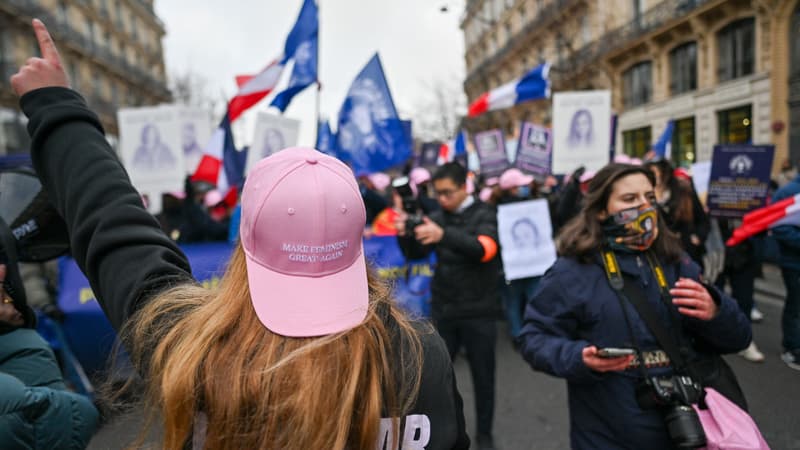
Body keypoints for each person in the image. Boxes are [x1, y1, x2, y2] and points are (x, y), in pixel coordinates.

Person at [11, 19, 469, 450]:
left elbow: (117, 234)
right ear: (355, 247)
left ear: (246, 243)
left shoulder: (194, 352)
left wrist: (57, 107)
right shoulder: (419, 355)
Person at [518, 163, 751, 449]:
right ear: (602, 210)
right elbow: (533, 339)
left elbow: (739, 338)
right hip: (608, 433)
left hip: (685, 427)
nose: (643, 206)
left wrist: (716, 312)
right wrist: (578, 358)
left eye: (649, 198)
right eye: (629, 199)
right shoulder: (571, 272)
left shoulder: (678, 262)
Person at [395, 162, 500, 450]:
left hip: (480, 311)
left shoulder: (485, 212)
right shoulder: (438, 216)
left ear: (464, 187)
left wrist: (444, 235)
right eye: (437, 193)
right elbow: (417, 253)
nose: (441, 199)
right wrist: (406, 232)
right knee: (435, 378)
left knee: (483, 379)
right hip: (446, 309)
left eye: (447, 193)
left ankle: (485, 436)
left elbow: (484, 250)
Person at [491, 168, 543, 342]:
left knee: (532, 300)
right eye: (520, 186)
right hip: (510, 268)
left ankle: (529, 334)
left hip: (533, 265)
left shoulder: (533, 204)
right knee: (514, 302)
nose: (525, 188)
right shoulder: (495, 210)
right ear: (511, 188)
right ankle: (519, 335)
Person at [646, 159, 709, 268]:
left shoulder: (683, 191)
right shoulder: (644, 194)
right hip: (658, 252)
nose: (653, 175)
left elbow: (702, 220)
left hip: (685, 249)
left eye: (655, 171)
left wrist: (698, 238)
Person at [771, 170, 800, 370]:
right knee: (796, 305)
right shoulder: (788, 192)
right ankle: (792, 347)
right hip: (794, 263)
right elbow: (779, 226)